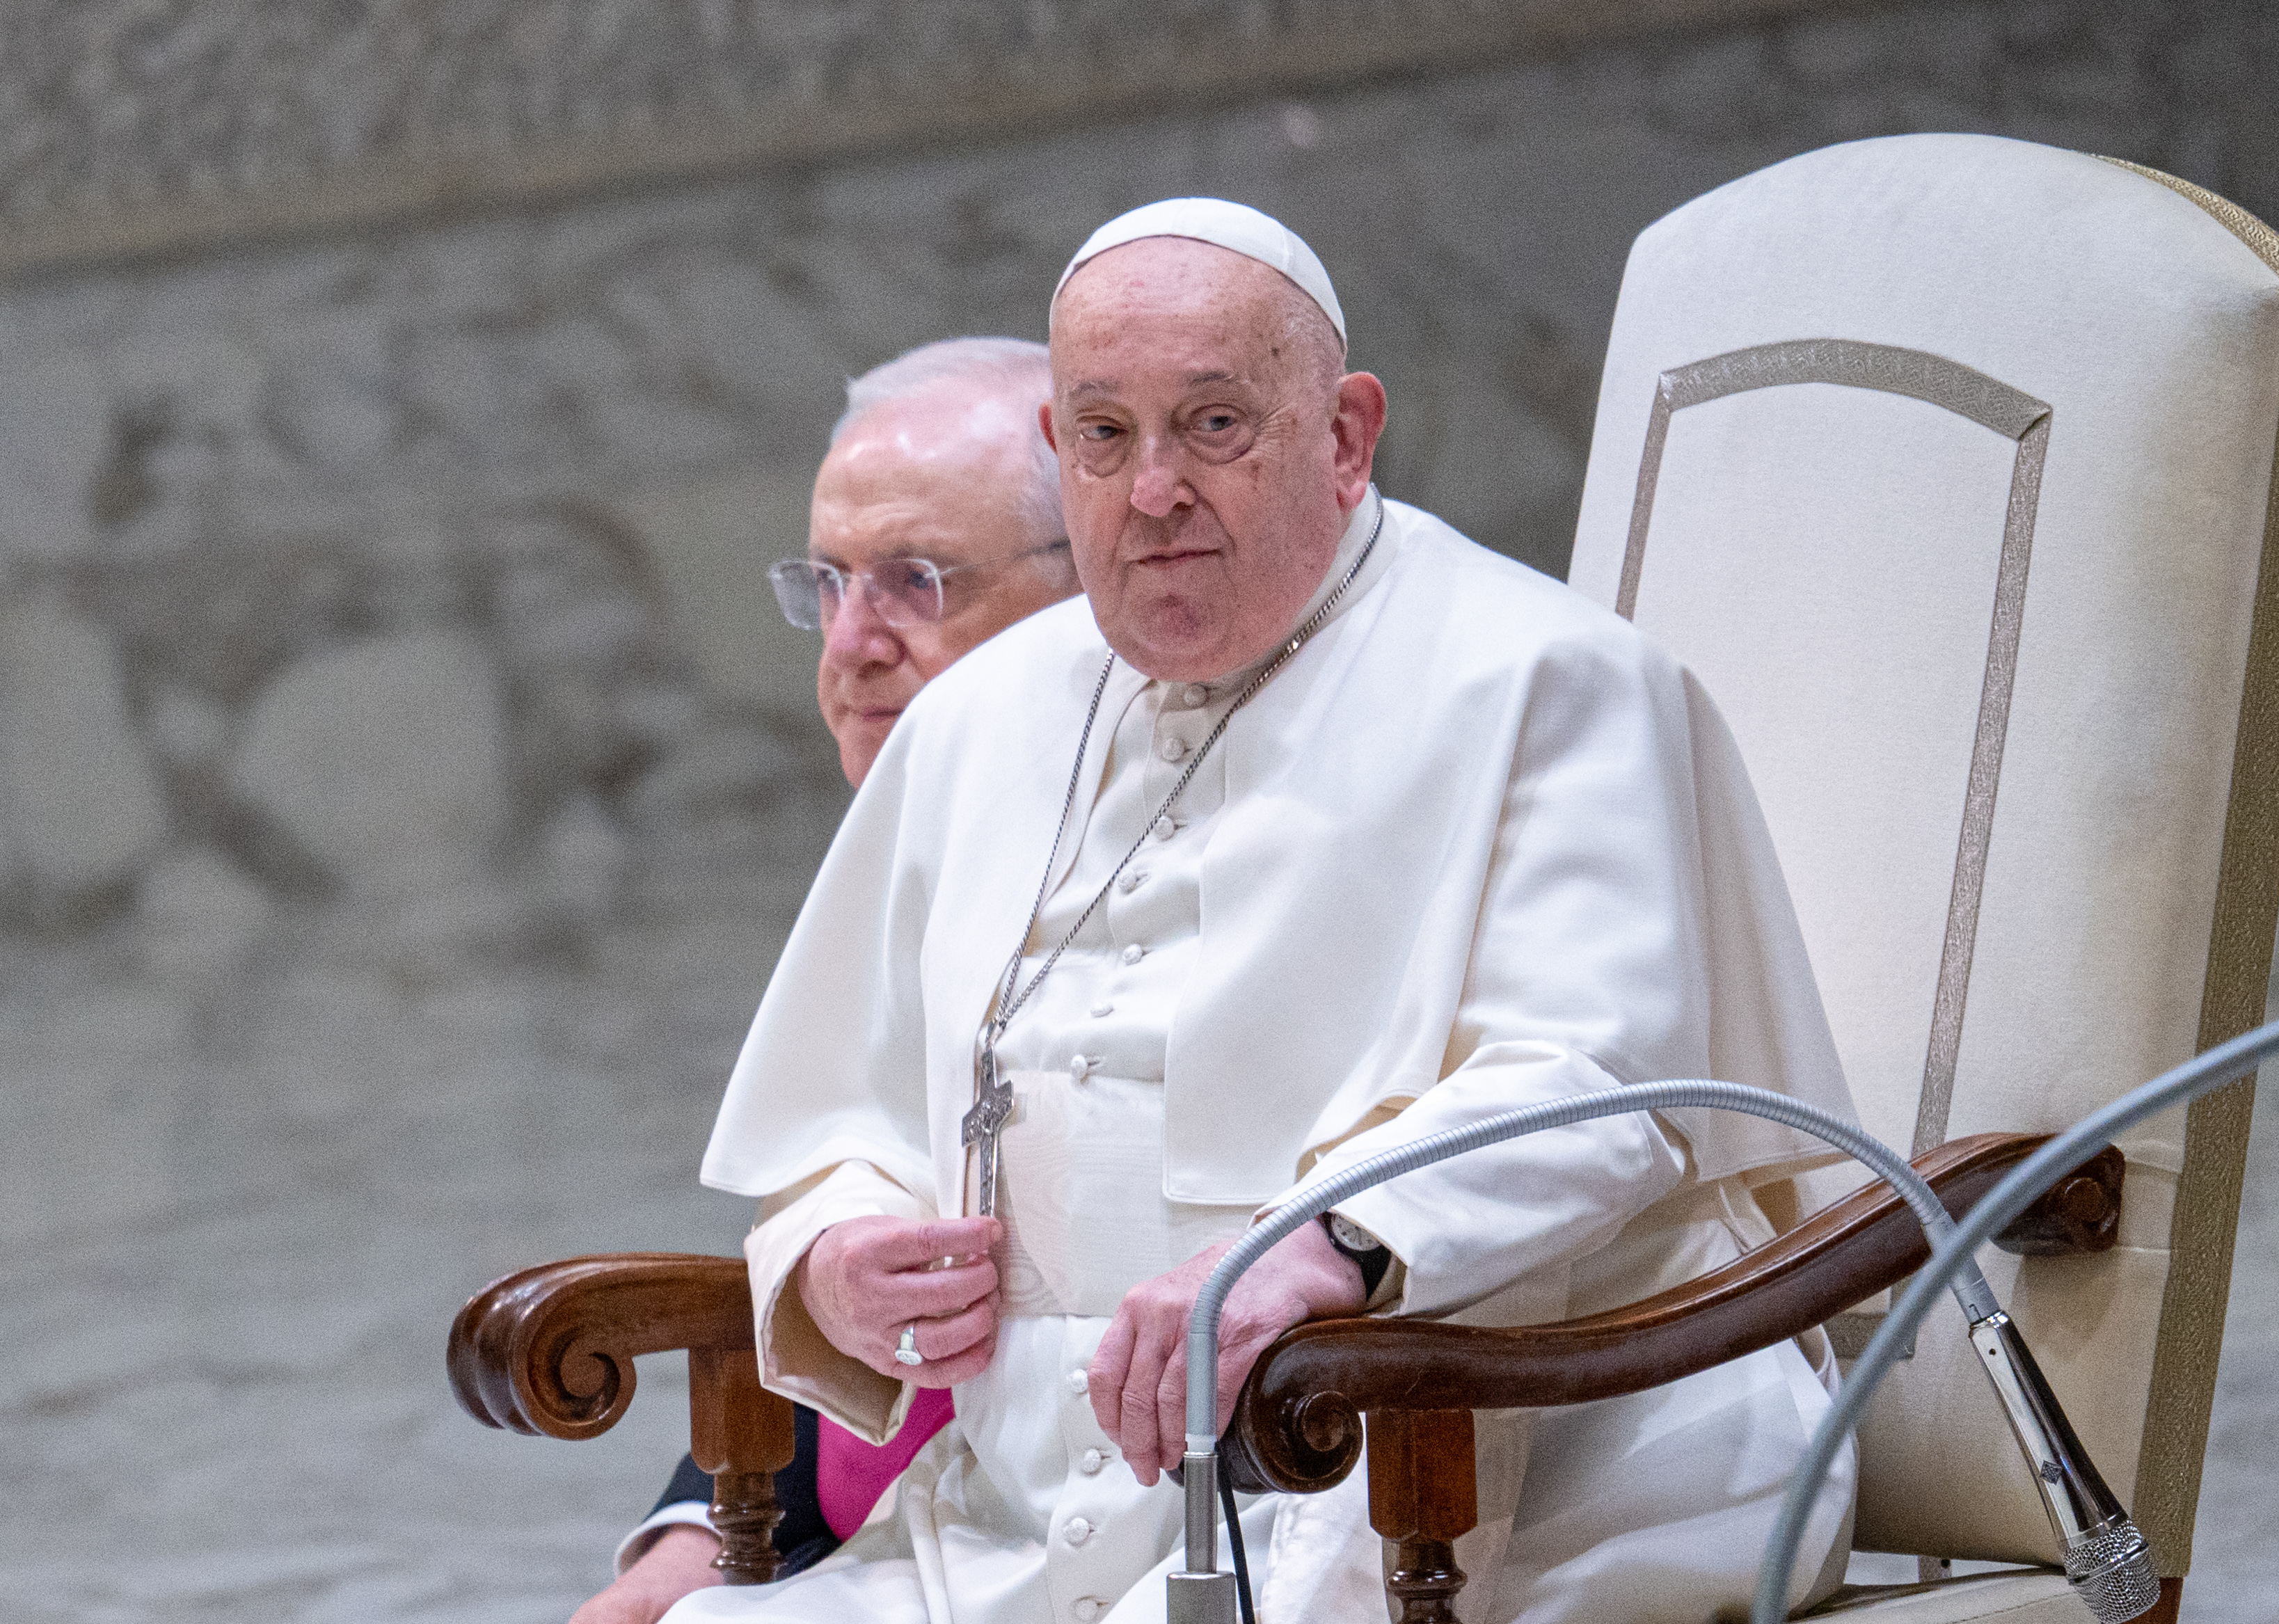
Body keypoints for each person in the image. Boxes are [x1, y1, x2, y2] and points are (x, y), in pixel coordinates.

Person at [672, 199, 1861, 1624]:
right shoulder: (975, 720)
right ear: (1062, 454)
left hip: (1481, 1476)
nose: (1154, 487)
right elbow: (839, 1122)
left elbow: (1607, 1086)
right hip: (1017, 1526)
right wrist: (838, 1258)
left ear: (1346, 436)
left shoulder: (1546, 682)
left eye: (1214, 424)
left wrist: (1324, 1244)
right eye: (1105, 435)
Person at [573, 336, 1082, 1624]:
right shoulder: (904, 853)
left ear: (1093, 580)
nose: (852, 644)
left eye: (916, 582)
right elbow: (857, 1244)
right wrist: (692, 1534)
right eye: (829, 583)